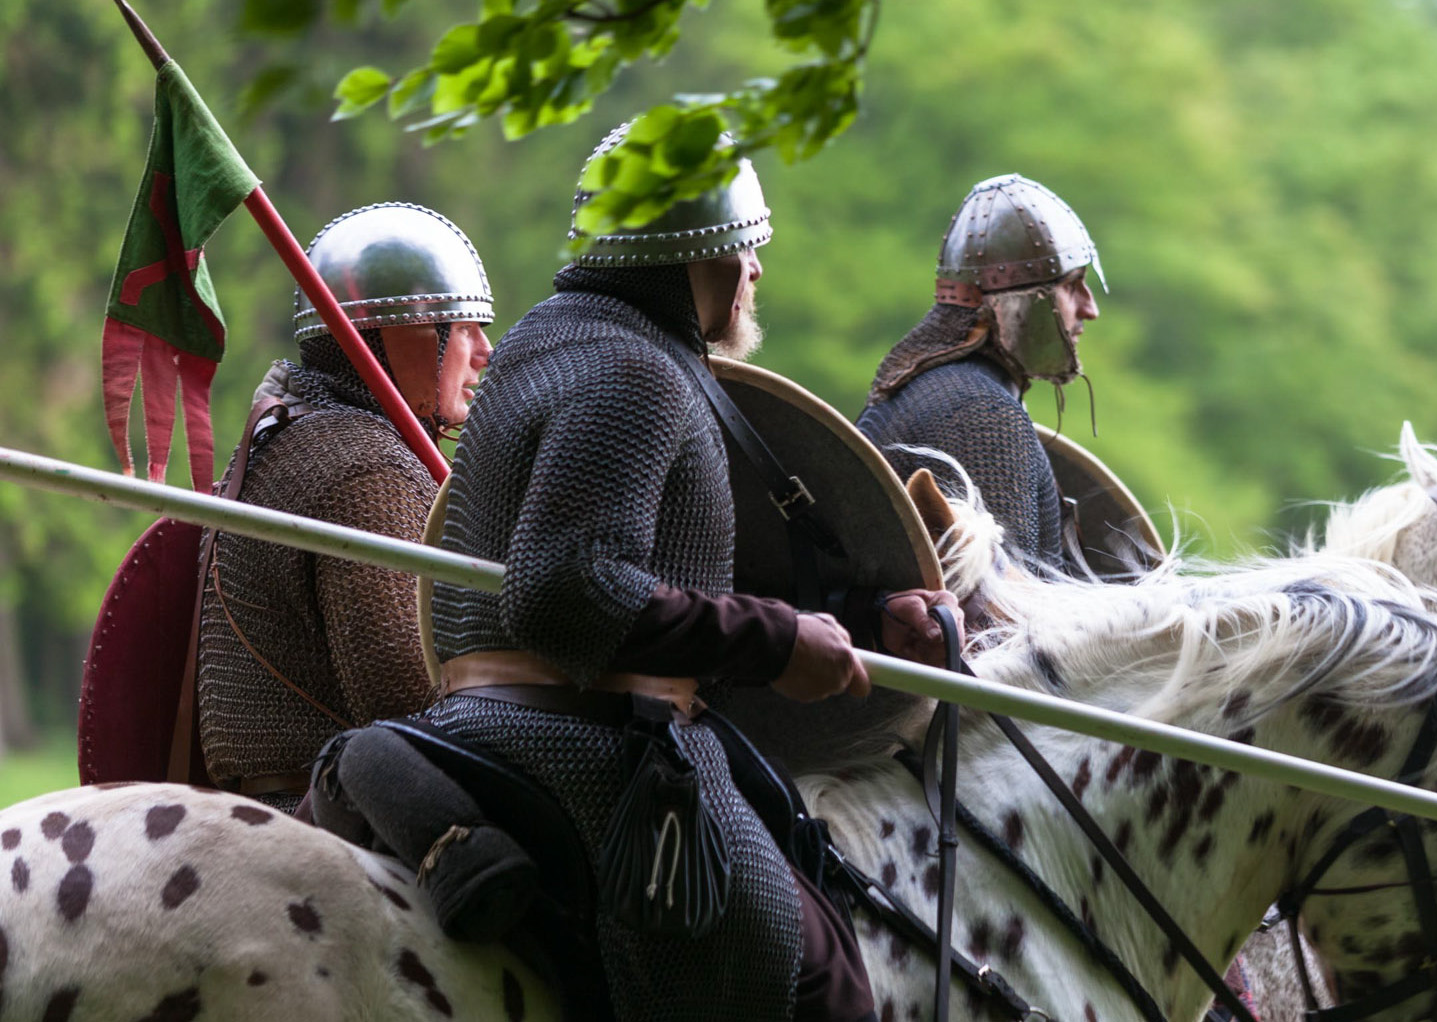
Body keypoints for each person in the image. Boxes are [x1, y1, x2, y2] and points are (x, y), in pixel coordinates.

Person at [318, 127, 953, 1021]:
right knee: (820, 985)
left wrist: (857, 619)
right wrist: (775, 642)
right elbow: (564, 589)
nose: (757, 271)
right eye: (748, 248)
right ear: (703, 253)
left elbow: (670, 576)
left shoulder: (550, 343)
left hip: (497, 720)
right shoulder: (634, 374)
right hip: (593, 744)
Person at [193, 202, 492, 812]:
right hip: (332, 831)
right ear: (407, 339)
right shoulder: (364, 469)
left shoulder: (292, 436)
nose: (485, 351)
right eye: (464, 329)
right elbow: (410, 709)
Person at [857, 174, 1103, 572]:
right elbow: (1003, 615)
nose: (1089, 309)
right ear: (1021, 300)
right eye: (1072, 286)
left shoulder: (944, 390)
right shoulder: (976, 412)